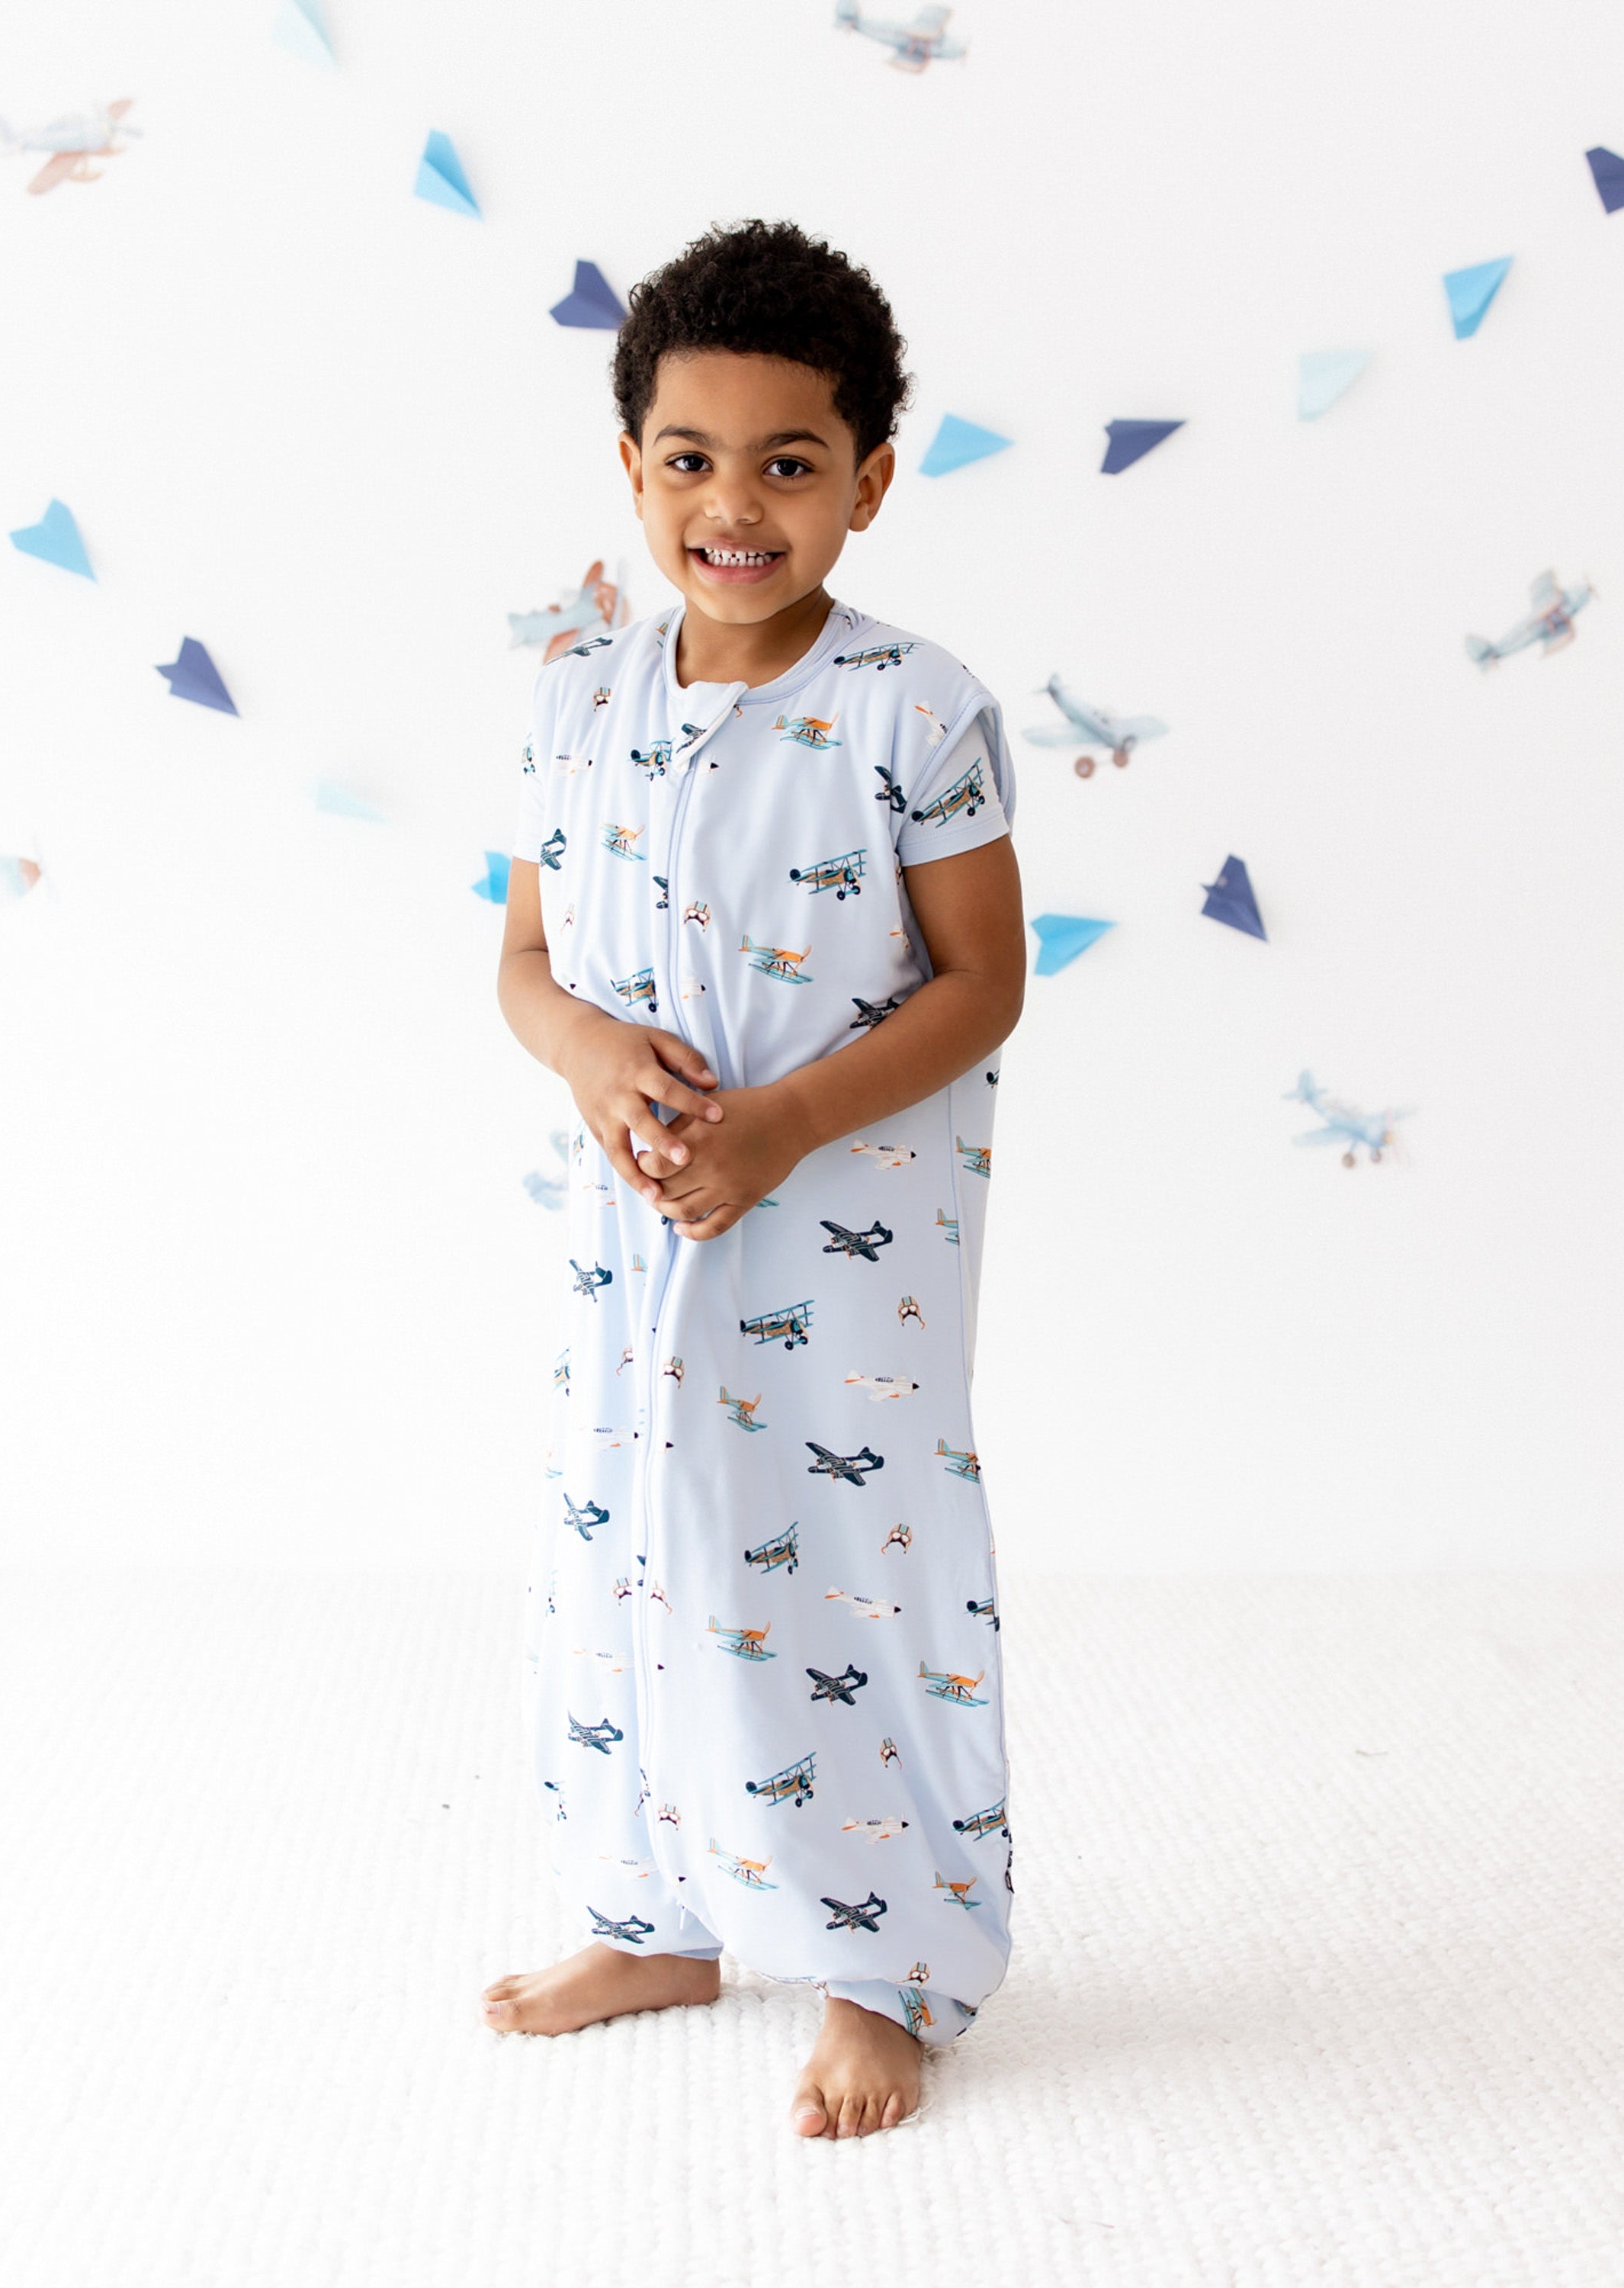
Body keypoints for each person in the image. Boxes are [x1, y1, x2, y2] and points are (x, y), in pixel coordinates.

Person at [484, 219, 1025, 2140]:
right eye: (691, 459)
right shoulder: (572, 699)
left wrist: (789, 1123)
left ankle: (887, 1961)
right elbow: (523, 963)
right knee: (631, 1550)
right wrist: (587, 1050)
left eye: (789, 463)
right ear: (630, 468)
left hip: (842, 1248)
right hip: (629, 1242)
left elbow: (984, 982)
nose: (736, 504)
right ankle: (657, 1913)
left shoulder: (914, 710)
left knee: (844, 1571)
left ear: (869, 480)